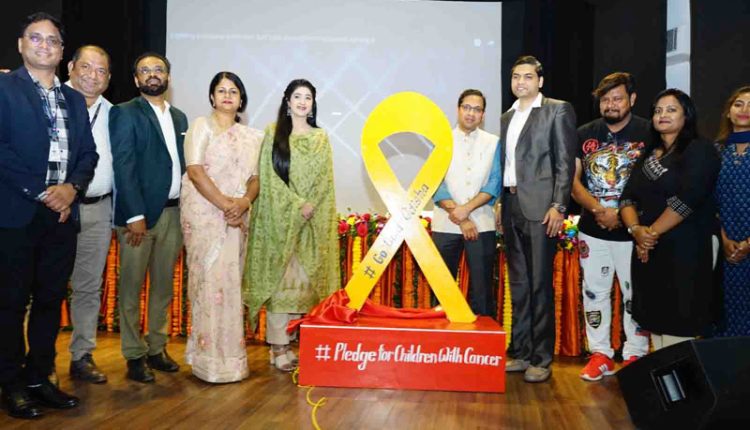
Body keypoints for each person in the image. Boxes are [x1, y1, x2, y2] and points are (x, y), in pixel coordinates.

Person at [0, 12, 98, 419]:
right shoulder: (4, 88)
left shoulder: (74, 99)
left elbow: (88, 153)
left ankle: (40, 379)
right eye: (36, 38)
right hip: (17, 214)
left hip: (61, 218)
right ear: (21, 45)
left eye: (53, 40)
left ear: (61, 52)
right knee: (10, 303)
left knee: (50, 301)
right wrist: (43, 193)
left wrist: (71, 189)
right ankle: (10, 383)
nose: (45, 45)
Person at [243, 79, 340, 372]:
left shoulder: (320, 138)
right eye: (297, 96)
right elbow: (268, 178)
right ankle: (278, 346)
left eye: (307, 97)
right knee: (280, 285)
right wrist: (297, 205)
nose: (302, 102)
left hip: (310, 224)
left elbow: (325, 181)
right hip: (279, 222)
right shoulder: (273, 133)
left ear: (313, 104)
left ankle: (288, 343)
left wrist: (310, 207)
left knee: (302, 287)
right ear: (287, 101)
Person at [620, 89, 720, 350]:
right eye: (658, 110)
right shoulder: (649, 153)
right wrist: (636, 230)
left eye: (671, 109)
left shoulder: (701, 149)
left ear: (686, 115)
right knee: (655, 317)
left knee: (680, 319)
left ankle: (681, 376)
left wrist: (649, 234)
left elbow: (687, 199)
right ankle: (665, 375)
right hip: (648, 248)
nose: (662, 115)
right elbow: (627, 198)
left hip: (686, 247)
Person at [110, 52, 188, 383]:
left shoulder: (180, 118)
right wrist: (135, 214)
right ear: (136, 79)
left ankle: (157, 348)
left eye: (158, 69)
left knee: (163, 287)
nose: (152, 74)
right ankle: (133, 354)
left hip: (173, 213)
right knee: (131, 288)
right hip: (138, 218)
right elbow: (123, 164)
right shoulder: (124, 112)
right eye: (145, 70)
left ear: (168, 77)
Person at [499, 55, 576, 383]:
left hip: (542, 208)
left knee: (540, 284)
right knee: (519, 284)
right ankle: (521, 351)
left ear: (540, 81)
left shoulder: (557, 110)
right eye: (516, 76)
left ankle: (541, 359)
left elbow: (565, 162)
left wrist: (559, 205)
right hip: (511, 204)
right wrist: (500, 205)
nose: (521, 82)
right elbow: (507, 164)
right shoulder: (507, 116)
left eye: (528, 76)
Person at [181, 72, 261, 383]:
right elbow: (195, 172)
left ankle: (232, 362)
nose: (227, 95)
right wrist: (228, 205)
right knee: (209, 284)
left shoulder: (252, 137)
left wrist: (244, 202)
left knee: (229, 285)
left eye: (233, 91)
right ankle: (208, 362)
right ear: (212, 97)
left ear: (241, 100)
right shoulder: (201, 126)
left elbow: (255, 179)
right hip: (205, 215)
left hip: (237, 217)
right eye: (221, 90)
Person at [572, 72, 650, 381]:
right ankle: (600, 354)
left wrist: (624, 215)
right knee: (594, 293)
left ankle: (635, 354)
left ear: (632, 99)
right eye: (605, 99)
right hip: (594, 228)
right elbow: (572, 182)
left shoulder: (649, 131)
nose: (611, 104)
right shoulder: (583, 133)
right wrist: (598, 209)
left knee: (635, 294)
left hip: (635, 231)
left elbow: (658, 180)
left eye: (617, 98)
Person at [65, 45, 113, 384]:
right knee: (38, 286)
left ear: (108, 78)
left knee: (87, 287)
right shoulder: (49, 101)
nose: (93, 76)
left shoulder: (114, 113)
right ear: (70, 66)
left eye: (101, 71)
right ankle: (30, 361)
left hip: (98, 209)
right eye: (86, 67)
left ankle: (81, 355)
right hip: (54, 209)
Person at [432, 89, 501, 316]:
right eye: (467, 108)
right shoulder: (442, 141)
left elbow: (494, 183)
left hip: (482, 223)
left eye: (477, 109)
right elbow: (435, 183)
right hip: (445, 223)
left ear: (483, 115)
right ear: (458, 109)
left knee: (482, 290)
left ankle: (481, 335)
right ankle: (439, 334)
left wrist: (466, 211)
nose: (471, 113)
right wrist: (461, 218)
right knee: (442, 290)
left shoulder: (493, 142)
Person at [714, 85, 750, 337]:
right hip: (723, 246)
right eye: (739, 104)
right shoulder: (715, 152)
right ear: (728, 112)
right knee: (722, 313)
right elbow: (707, 201)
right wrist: (724, 239)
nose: (744, 109)